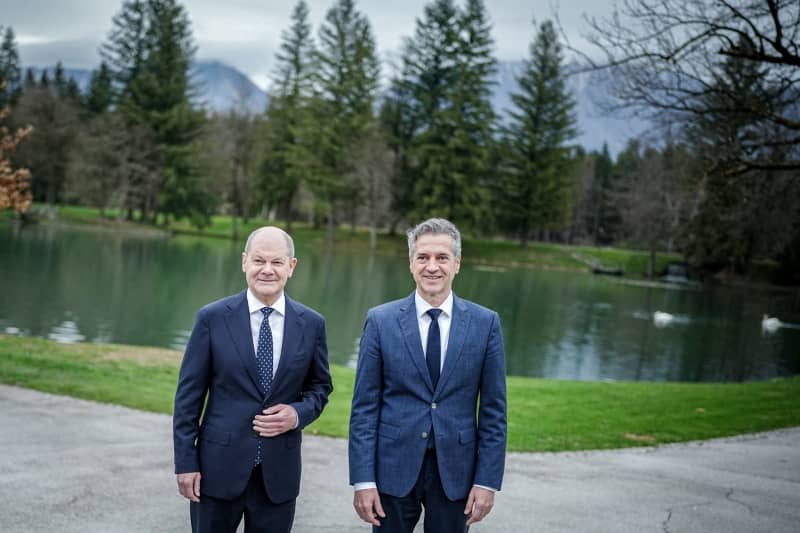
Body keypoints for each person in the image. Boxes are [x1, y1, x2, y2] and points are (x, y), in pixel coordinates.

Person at [349, 218, 507, 533]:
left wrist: (487, 481)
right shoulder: (380, 321)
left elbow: (493, 412)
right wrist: (363, 481)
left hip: (456, 473)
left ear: (457, 264)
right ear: (411, 263)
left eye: (441, 258)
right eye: (423, 257)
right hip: (391, 471)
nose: (431, 266)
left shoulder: (485, 324)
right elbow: (364, 410)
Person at [173, 226, 332, 533]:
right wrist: (186, 463)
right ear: (245, 262)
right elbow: (188, 398)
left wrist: (297, 414)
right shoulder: (212, 318)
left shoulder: (312, 324)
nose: (267, 270)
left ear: (292, 266)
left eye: (277, 262)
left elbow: (320, 387)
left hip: (278, 478)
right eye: (259, 261)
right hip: (216, 472)